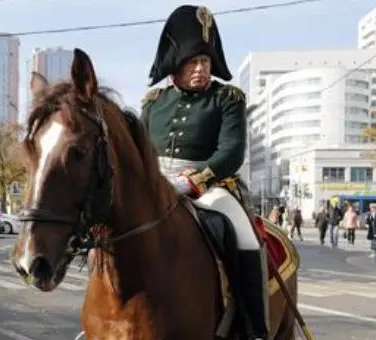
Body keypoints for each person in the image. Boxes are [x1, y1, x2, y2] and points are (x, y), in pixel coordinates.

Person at [141, 5, 266, 339]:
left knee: (242, 231)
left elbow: (231, 152)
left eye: (205, 62)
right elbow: (140, 151)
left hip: (210, 184)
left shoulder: (227, 98)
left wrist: (193, 180)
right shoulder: (154, 101)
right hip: (154, 182)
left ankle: (253, 326)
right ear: (174, 66)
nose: (200, 70)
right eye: (192, 62)